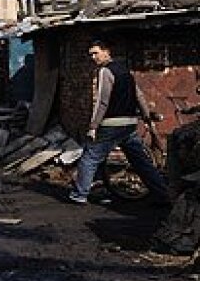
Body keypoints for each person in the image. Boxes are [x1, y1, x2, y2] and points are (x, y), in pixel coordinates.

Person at [70, 39, 171, 205]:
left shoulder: (105, 71)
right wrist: (146, 117)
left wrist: (93, 126)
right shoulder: (126, 72)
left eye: (95, 53)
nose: (93, 57)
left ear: (106, 51)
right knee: (141, 161)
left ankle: (80, 194)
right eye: (91, 54)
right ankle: (162, 194)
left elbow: (102, 101)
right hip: (129, 125)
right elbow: (139, 96)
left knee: (90, 157)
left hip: (111, 124)